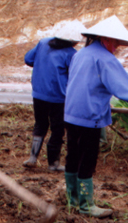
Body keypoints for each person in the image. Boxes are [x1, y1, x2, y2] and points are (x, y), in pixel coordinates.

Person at [64, 15, 128, 218]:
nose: (116, 47)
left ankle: (72, 199)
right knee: (87, 160)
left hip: (72, 113)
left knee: (73, 155)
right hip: (89, 116)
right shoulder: (105, 59)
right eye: (115, 42)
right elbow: (120, 84)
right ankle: (86, 203)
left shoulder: (80, 54)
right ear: (105, 39)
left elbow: (85, 83)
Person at [23, 20, 86, 171]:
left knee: (40, 124)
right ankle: (53, 164)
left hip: (39, 93)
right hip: (59, 97)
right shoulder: (71, 54)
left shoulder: (43, 43)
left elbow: (28, 59)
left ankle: (33, 157)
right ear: (73, 40)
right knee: (57, 129)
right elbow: (75, 75)